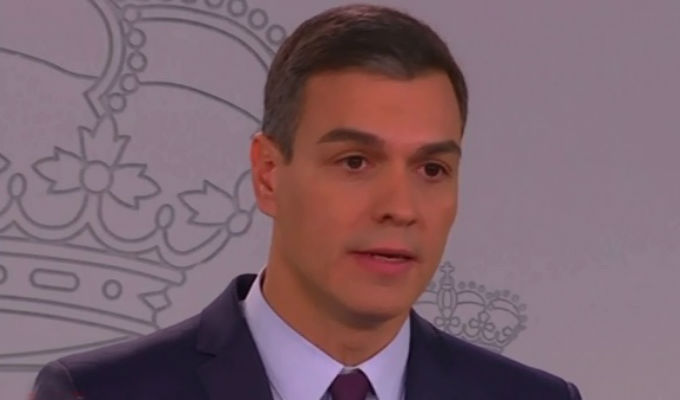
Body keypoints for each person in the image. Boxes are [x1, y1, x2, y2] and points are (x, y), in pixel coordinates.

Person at [32, 4, 582, 400]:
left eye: (432, 169)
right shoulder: (100, 393)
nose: (401, 207)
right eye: (355, 162)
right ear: (268, 174)